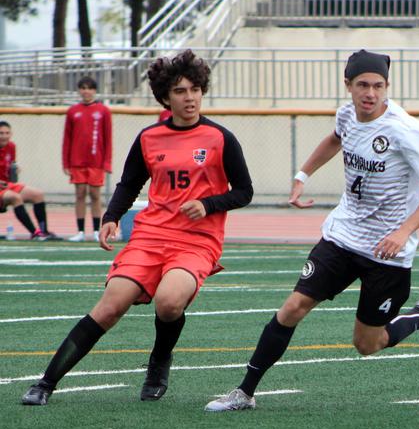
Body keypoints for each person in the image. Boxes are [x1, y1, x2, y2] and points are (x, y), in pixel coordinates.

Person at [205, 49, 419, 412]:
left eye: (378, 86)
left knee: (366, 344)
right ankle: (244, 392)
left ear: (387, 87)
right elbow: (335, 138)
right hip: (342, 235)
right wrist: (302, 175)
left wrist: (402, 232)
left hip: (387, 251)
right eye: (363, 85)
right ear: (348, 86)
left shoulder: (405, 131)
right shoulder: (347, 114)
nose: (370, 93)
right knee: (292, 307)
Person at [22, 49, 254, 405]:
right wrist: (111, 217)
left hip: (196, 241)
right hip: (150, 235)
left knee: (169, 302)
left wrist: (208, 204)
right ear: (165, 97)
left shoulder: (220, 138)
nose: (189, 97)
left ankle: (160, 361)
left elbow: (244, 192)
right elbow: (129, 184)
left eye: (194, 89)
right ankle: (46, 383)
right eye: (180, 91)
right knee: (110, 307)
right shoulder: (149, 138)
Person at [62, 76, 113, 242]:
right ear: (79, 90)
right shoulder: (73, 111)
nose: (86, 91)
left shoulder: (103, 111)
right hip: (77, 161)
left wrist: (107, 162)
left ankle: (97, 231)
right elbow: (67, 139)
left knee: (95, 195)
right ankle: (80, 231)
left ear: (95, 90)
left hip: (96, 161)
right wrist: (66, 162)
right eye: (83, 88)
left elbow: (108, 138)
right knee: (80, 194)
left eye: (90, 88)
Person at [0, 121, 59, 240]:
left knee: (37, 194)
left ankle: (44, 231)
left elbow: (10, 169)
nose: (4, 136)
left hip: (7, 185)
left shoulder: (11, 146)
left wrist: (14, 171)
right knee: (15, 197)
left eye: (7, 133)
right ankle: (35, 233)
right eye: (1, 133)